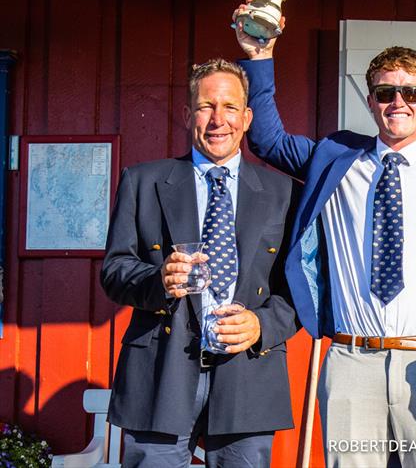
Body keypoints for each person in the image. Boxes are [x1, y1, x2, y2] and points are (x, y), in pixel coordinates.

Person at [233, 5, 416, 467]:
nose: (400, 102)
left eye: (412, 92)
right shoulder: (334, 157)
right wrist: (260, 54)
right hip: (353, 358)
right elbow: (267, 140)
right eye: (386, 92)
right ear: (371, 100)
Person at [101, 58, 299, 468]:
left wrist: (263, 324)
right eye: (207, 106)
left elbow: (302, 288)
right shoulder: (143, 181)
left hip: (248, 373)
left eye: (229, 108)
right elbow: (115, 270)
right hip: (160, 373)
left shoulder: (283, 193)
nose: (217, 120)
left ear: (246, 118)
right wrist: (158, 279)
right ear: (188, 114)